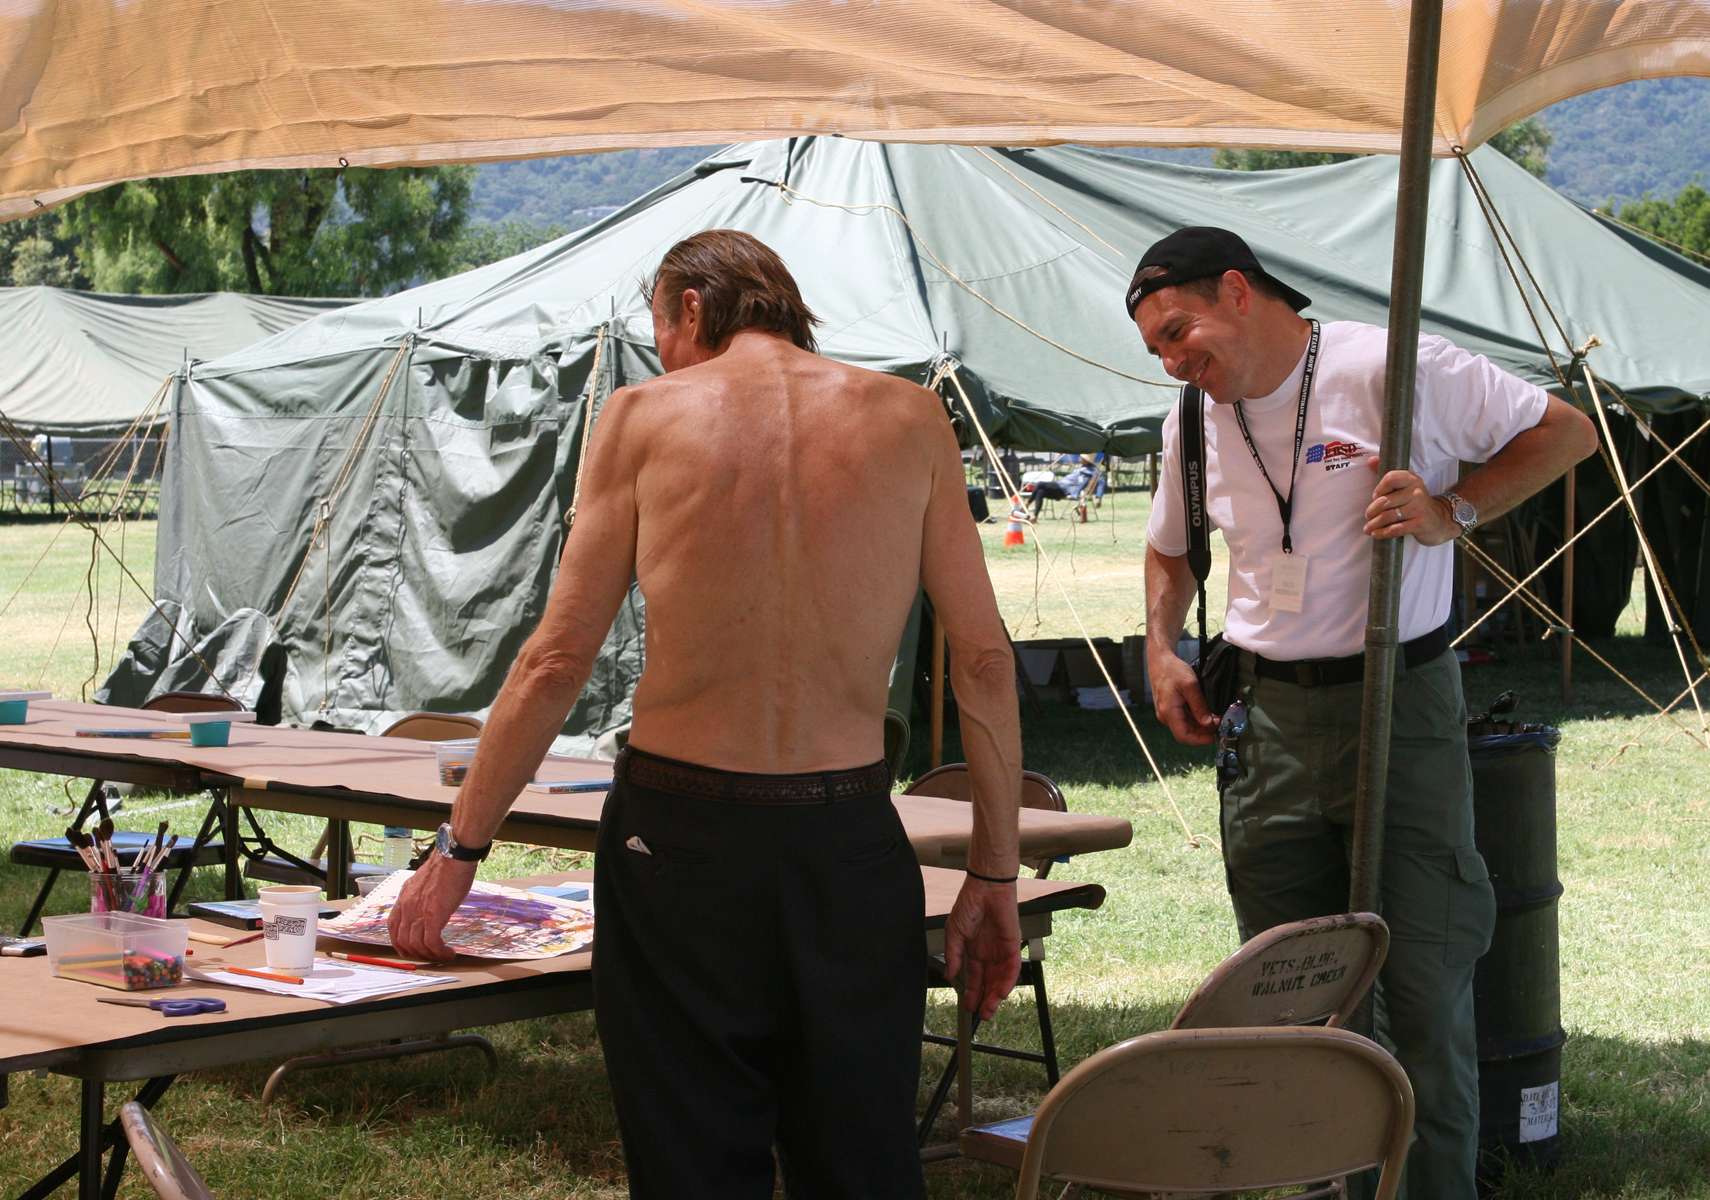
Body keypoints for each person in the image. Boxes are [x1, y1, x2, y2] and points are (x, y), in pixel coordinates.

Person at [388, 229, 1024, 1200]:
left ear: (691, 306)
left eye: (660, 332)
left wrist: (459, 850)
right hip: (847, 836)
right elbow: (982, 661)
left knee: (690, 1163)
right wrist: (994, 872)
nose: (664, 358)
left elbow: (555, 661)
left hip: (679, 840)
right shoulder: (910, 415)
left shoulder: (643, 416)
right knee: (862, 1166)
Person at [1131, 227, 1596, 1200]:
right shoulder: (1191, 418)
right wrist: (1161, 646)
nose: (1173, 362)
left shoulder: (1392, 368)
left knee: (1422, 985)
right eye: (1157, 349)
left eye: (1178, 333)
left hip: (1400, 705)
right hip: (1268, 722)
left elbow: (1564, 432)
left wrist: (1451, 511)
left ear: (1237, 291)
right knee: (1289, 991)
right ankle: (1324, 1184)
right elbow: (1171, 547)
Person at [1025, 454, 1106, 520]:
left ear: (1087, 460)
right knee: (1040, 492)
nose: (1079, 458)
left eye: (1081, 458)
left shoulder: (1093, 471)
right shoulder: (1082, 468)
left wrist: (1098, 497)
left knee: (1040, 484)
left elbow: (1101, 482)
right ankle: (1034, 516)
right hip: (1060, 486)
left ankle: (1026, 504)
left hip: (1065, 489)